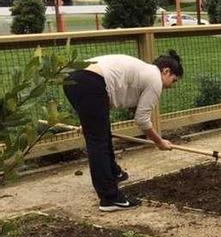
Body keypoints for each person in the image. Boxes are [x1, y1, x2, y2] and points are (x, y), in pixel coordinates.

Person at [63, 51, 182, 212]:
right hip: (90, 82)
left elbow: (120, 101)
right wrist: (159, 142)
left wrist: (89, 122)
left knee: (101, 133)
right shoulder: (155, 79)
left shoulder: (143, 72)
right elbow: (141, 119)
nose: (170, 86)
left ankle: (113, 173)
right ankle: (109, 198)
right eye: (173, 81)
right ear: (166, 71)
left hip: (74, 78)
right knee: (97, 141)